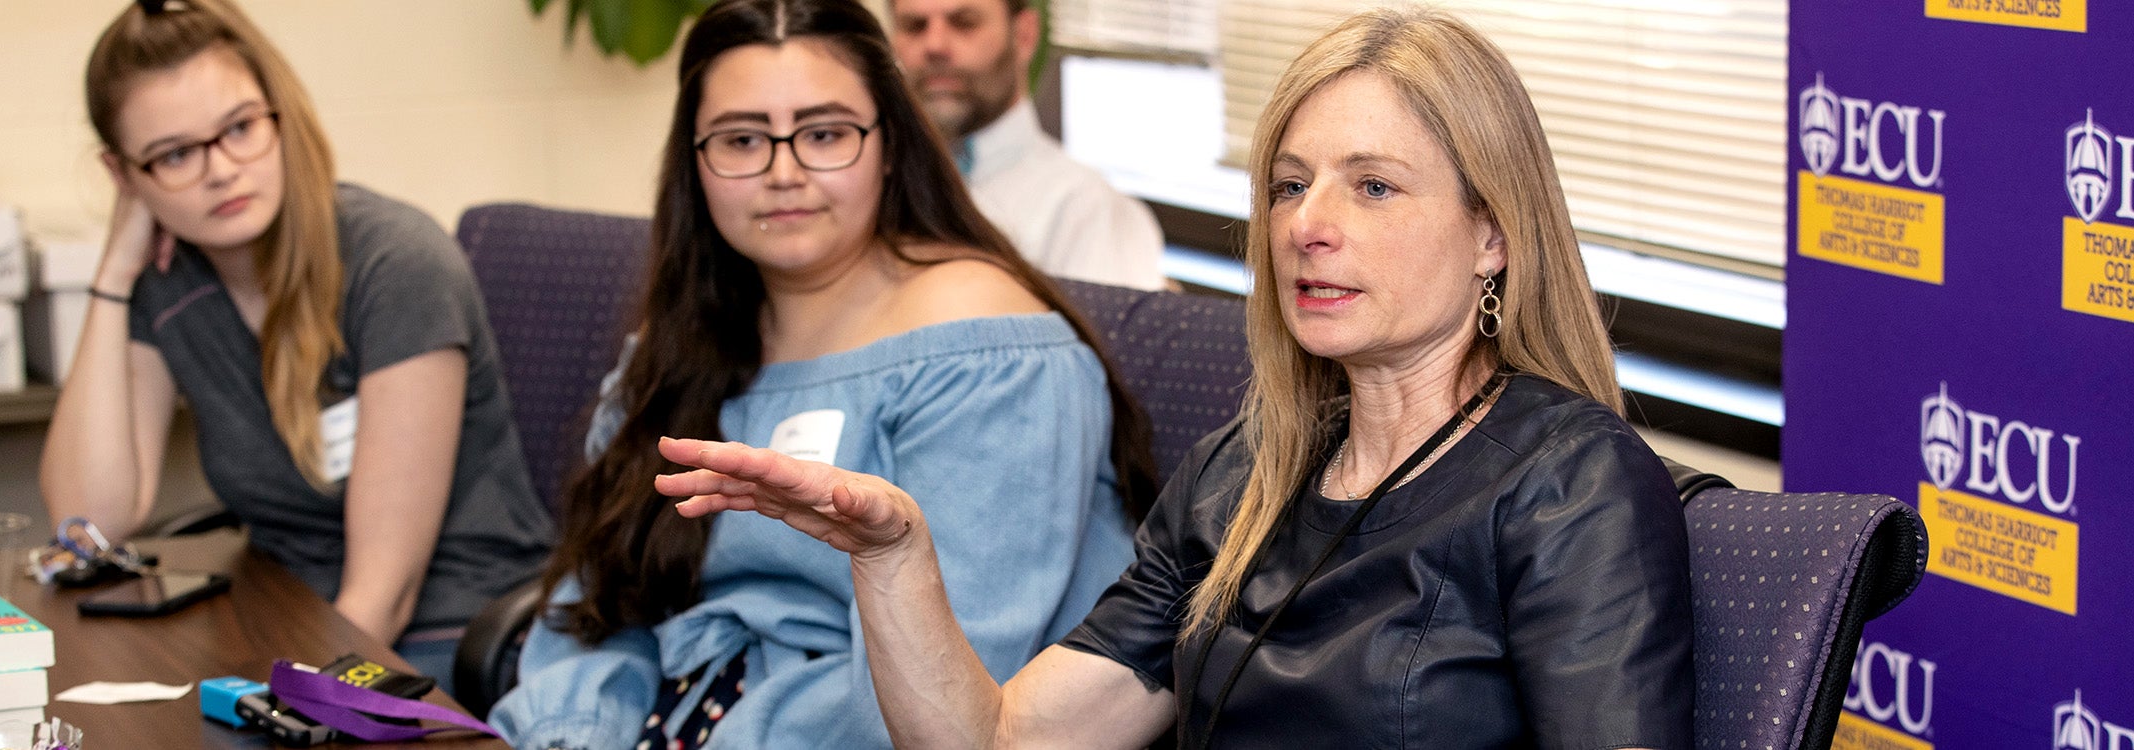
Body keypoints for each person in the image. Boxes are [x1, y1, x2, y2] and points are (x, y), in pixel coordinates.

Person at [658, 7, 1695, 748]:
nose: (1307, 225)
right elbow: (999, 741)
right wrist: (893, 556)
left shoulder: (1571, 484)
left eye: (1372, 186)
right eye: (1289, 186)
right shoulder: (1238, 474)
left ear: (1492, 237)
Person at [485, 0, 1158, 747]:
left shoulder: (985, 349)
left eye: (825, 134)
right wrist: (569, 734)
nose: (782, 172)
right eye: (741, 140)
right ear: (694, 163)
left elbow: (947, 702)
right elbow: (598, 601)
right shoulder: (681, 340)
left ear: (892, 145)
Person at [38, 0, 553, 691]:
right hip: (282, 614)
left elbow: (384, 594)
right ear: (124, 174)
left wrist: (288, 702)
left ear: (281, 116)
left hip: (443, 640)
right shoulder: (172, 284)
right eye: (175, 155)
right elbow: (87, 524)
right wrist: (114, 272)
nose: (221, 170)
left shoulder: (396, 264)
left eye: (240, 129)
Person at [890, 0, 1168, 290]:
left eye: (965, 23)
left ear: (1024, 35)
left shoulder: (1087, 210)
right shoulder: (876, 189)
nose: (934, 45)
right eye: (914, 27)